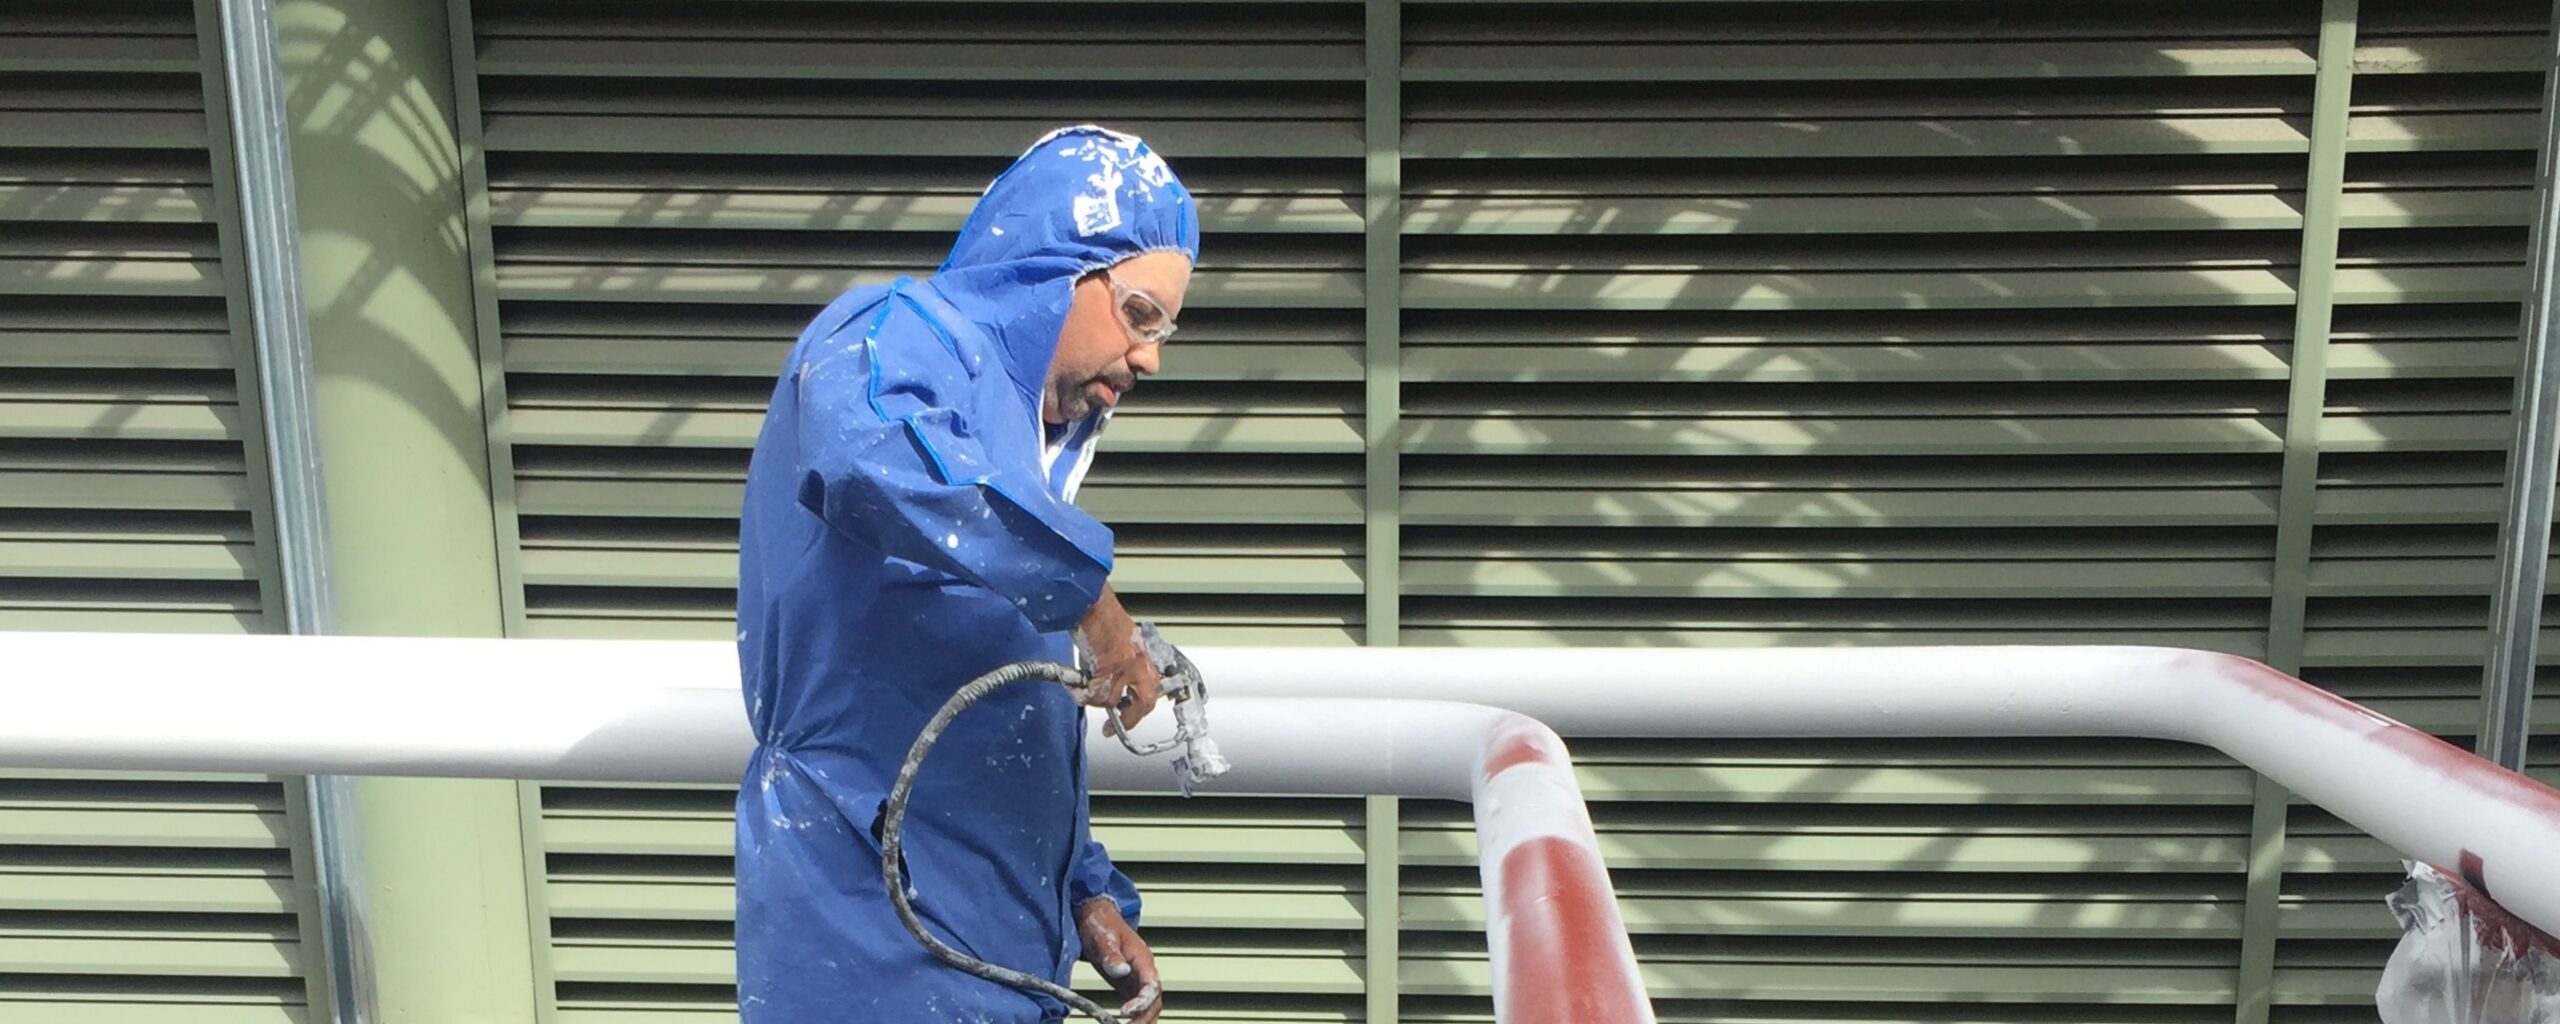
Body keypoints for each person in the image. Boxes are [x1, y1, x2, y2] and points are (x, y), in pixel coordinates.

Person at [732, 124, 1198, 1024]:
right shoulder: (890, 333)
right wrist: (1097, 610)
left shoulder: (1024, 449)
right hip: (867, 942)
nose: (1150, 357)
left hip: (996, 957)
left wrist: (1086, 895)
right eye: (1141, 314)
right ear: (1055, 269)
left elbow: (988, 696)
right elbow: (867, 455)